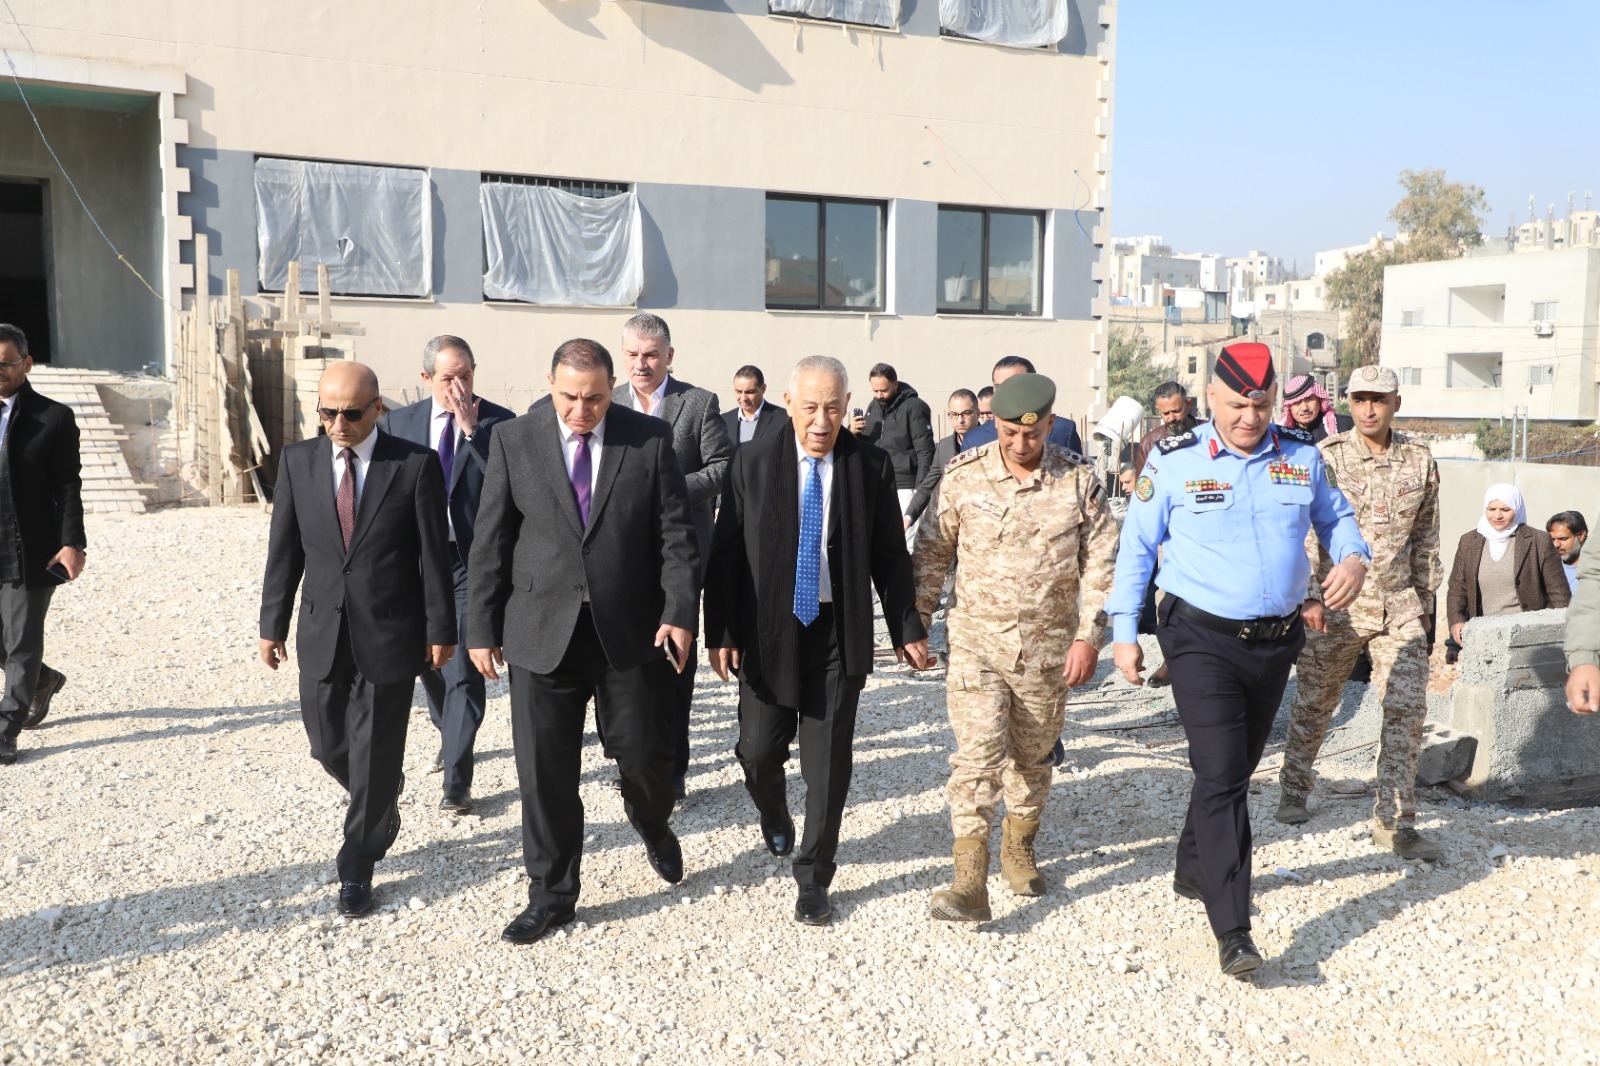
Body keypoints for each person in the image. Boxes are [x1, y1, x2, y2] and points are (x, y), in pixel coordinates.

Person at [1107, 341, 1369, 977]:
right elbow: (1136, 547)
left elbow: (1338, 519)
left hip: (1276, 640)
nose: (1249, 418)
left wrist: (1354, 558)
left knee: (1231, 765)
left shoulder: (1301, 456)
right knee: (1226, 775)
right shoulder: (1173, 460)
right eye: (1235, 406)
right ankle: (1234, 928)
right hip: (1199, 637)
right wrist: (1123, 631)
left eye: (1261, 404)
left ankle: (1192, 865)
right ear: (1210, 400)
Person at [468, 339, 697, 944]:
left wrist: (680, 612)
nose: (581, 410)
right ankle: (551, 895)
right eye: (569, 397)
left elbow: (676, 537)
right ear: (550, 385)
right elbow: (490, 539)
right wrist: (480, 627)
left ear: (611, 387)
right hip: (540, 631)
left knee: (646, 758)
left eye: (594, 398)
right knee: (544, 773)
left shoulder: (648, 440)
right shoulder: (514, 440)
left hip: (629, 631)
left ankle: (651, 821)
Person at [705, 355, 930, 926]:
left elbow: (889, 555)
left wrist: (906, 626)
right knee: (758, 752)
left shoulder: (869, 465)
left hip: (836, 631)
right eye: (810, 407)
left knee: (827, 763)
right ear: (788, 403)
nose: (822, 421)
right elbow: (726, 553)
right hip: (769, 631)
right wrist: (722, 630)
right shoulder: (753, 462)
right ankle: (773, 811)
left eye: (833, 407)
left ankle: (814, 875)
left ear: (847, 404)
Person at [911, 374, 1118, 921]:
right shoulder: (964, 477)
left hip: (1048, 651)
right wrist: (917, 623)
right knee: (977, 759)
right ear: (993, 424)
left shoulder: (1078, 481)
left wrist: (1088, 637)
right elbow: (931, 554)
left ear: (1049, 424)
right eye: (1008, 433)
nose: (1020, 444)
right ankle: (969, 880)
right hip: (977, 643)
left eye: (1032, 434)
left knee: (1032, 756)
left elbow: (1103, 566)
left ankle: (1019, 846)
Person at [259, 361, 455, 916]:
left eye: (350, 413)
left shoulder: (414, 464)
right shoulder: (297, 461)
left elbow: (433, 557)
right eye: (328, 413)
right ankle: (380, 798)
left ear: (377, 409)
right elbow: (284, 550)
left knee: (376, 750)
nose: (338, 424)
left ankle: (358, 862)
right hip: (322, 627)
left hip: (391, 632)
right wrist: (272, 624)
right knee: (326, 744)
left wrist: (441, 629)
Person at [1275, 365, 1443, 861]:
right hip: (1336, 605)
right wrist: (1308, 596)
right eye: (1360, 399)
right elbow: (1305, 530)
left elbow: (1426, 536)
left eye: (1379, 399)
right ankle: (1294, 786)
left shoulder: (1420, 459)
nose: (1369, 409)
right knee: (1314, 703)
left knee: (1407, 711)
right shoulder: (1325, 456)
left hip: (1399, 605)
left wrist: (1425, 602)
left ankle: (1395, 822)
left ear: (1396, 403)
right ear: (1348, 403)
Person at [382, 335, 516, 814]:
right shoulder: (398, 423)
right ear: (426, 378)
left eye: (466, 375)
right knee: (425, 660)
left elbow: (510, 485)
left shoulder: (500, 423)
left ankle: (457, 781)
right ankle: (449, 730)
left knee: (462, 668)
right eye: (447, 378)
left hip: (468, 560)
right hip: (416, 558)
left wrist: (471, 432)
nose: (459, 387)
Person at [612, 313, 733, 798]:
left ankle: (674, 765)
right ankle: (632, 759)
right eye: (633, 354)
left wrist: (669, 490)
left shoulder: (698, 403)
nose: (641, 364)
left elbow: (723, 467)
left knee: (674, 661)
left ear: (669, 356)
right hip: (620, 557)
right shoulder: (607, 402)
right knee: (625, 662)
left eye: (651, 355)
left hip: (680, 553)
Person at [0, 324, 85, 765]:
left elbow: (68, 485)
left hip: (30, 549)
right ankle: (41, 680)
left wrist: (72, 542)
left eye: (5, 364)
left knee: (21, 642)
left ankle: (6, 728)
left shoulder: (53, 418)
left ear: (27, 364)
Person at [1447, 485, 1570, 648]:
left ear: (1517, 509)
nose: (1497, 515)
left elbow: (1558, 592)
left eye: (1505, 509)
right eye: (1492, 509)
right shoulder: (1469, 541)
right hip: (1482, 635)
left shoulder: (1538, 541)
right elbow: (1457, 587)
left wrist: (1560, 634)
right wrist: (1456, 621)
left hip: (1528, 637)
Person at [850, 363, 935, 538]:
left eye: (883, 390)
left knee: (906, 539)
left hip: (906, 485)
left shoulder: (915, 407)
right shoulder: (873, 407)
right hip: (878, 483)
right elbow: (867, 446)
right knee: (881, 539)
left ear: (895, 384)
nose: (879, 395)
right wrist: (854, 433)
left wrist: (921, 490)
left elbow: (925, 451)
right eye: (875, 391)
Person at [960, 357, 1083, 455]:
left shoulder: (1063, 430)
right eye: (999, 387)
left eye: (1013, 385)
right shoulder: (974, 439)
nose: (1005, 392)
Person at [905, 388, 978, 527]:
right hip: (954, 523)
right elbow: (927, 487)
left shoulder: (992, 442)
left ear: (977, 413)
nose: (960, 420)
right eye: (954, 414)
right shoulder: (944, 446)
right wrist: (908, 517)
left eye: (966, 414)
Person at [1132, 381, 1199, 475]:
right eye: (1165, 413)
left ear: (1188, 404)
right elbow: (1144, 482)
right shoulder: (1148, 443)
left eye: (1176, 411)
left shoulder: (1209, 433)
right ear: (1158, 410)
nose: (1171, 418)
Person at [723, 364, 786, 448]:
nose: (743, 398)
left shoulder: (783, 419)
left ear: (763, 389)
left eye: (749, 392)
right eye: (738, 392)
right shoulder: (722, 422)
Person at [1280, 374, 1352, 443]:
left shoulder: (1345, 425)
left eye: (1309, 399)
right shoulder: (1282, 437)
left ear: (1319, 400)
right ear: (1289, 408)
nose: (1304, 408)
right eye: (1297, 403)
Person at [1547, 511, 1588, 594]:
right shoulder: (1547, 567)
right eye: (1553, 539)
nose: (1556, 545)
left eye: (1563, 539)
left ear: (1581, 536)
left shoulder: (1594, 566)